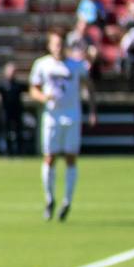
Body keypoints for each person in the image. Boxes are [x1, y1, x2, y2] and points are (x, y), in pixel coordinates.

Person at [30, 30, 92, 222]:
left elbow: (88, 86)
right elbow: (34, 89)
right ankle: (49, 199)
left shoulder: (76, 65)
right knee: (50, 157)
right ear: (50, 45)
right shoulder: (42, 65)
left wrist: (92, 109)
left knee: (71, 158)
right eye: (55, 44)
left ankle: (67, 201)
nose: (58, 47)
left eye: (61, 43)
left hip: (72, 115)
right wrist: (43, 97)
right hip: (52, 117)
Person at [0, 62, 30, 156]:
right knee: (6, 133)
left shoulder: (18, 84)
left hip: (17, 112)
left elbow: (32, 90)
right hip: (6, 112)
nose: (12, 73)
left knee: (19, 133)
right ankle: (8, 153)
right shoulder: (2, 84)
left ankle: (19, 153)